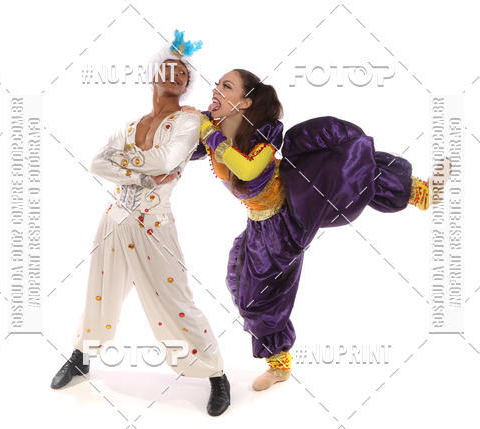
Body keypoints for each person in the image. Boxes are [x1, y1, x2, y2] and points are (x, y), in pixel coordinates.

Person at [184, 68, 451, 391]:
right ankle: (420, 194)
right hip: (259, 222)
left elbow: (248, 169)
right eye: (217, 84)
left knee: (257, 295)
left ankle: (420, 193)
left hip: (284, 223)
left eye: (226, 86)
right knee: (239, 280)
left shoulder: (261, 138)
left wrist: (208, 134)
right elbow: (178, 143)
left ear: (245, 102)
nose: (215, 90)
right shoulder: (212, 128)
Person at [50, 30, 231, 417]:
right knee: (100, 293)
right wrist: (141, 175)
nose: (175, 75)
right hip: (114, 221)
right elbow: (97, 163)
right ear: (153, 74)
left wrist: (125, 164)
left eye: (183, 73)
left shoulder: (188, 121)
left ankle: (216, 374)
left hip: (155, 224)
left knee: (176, 300)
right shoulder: (131, 126)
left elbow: (166, 161)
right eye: (168, 69)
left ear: (187, 83)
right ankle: (81, 356)